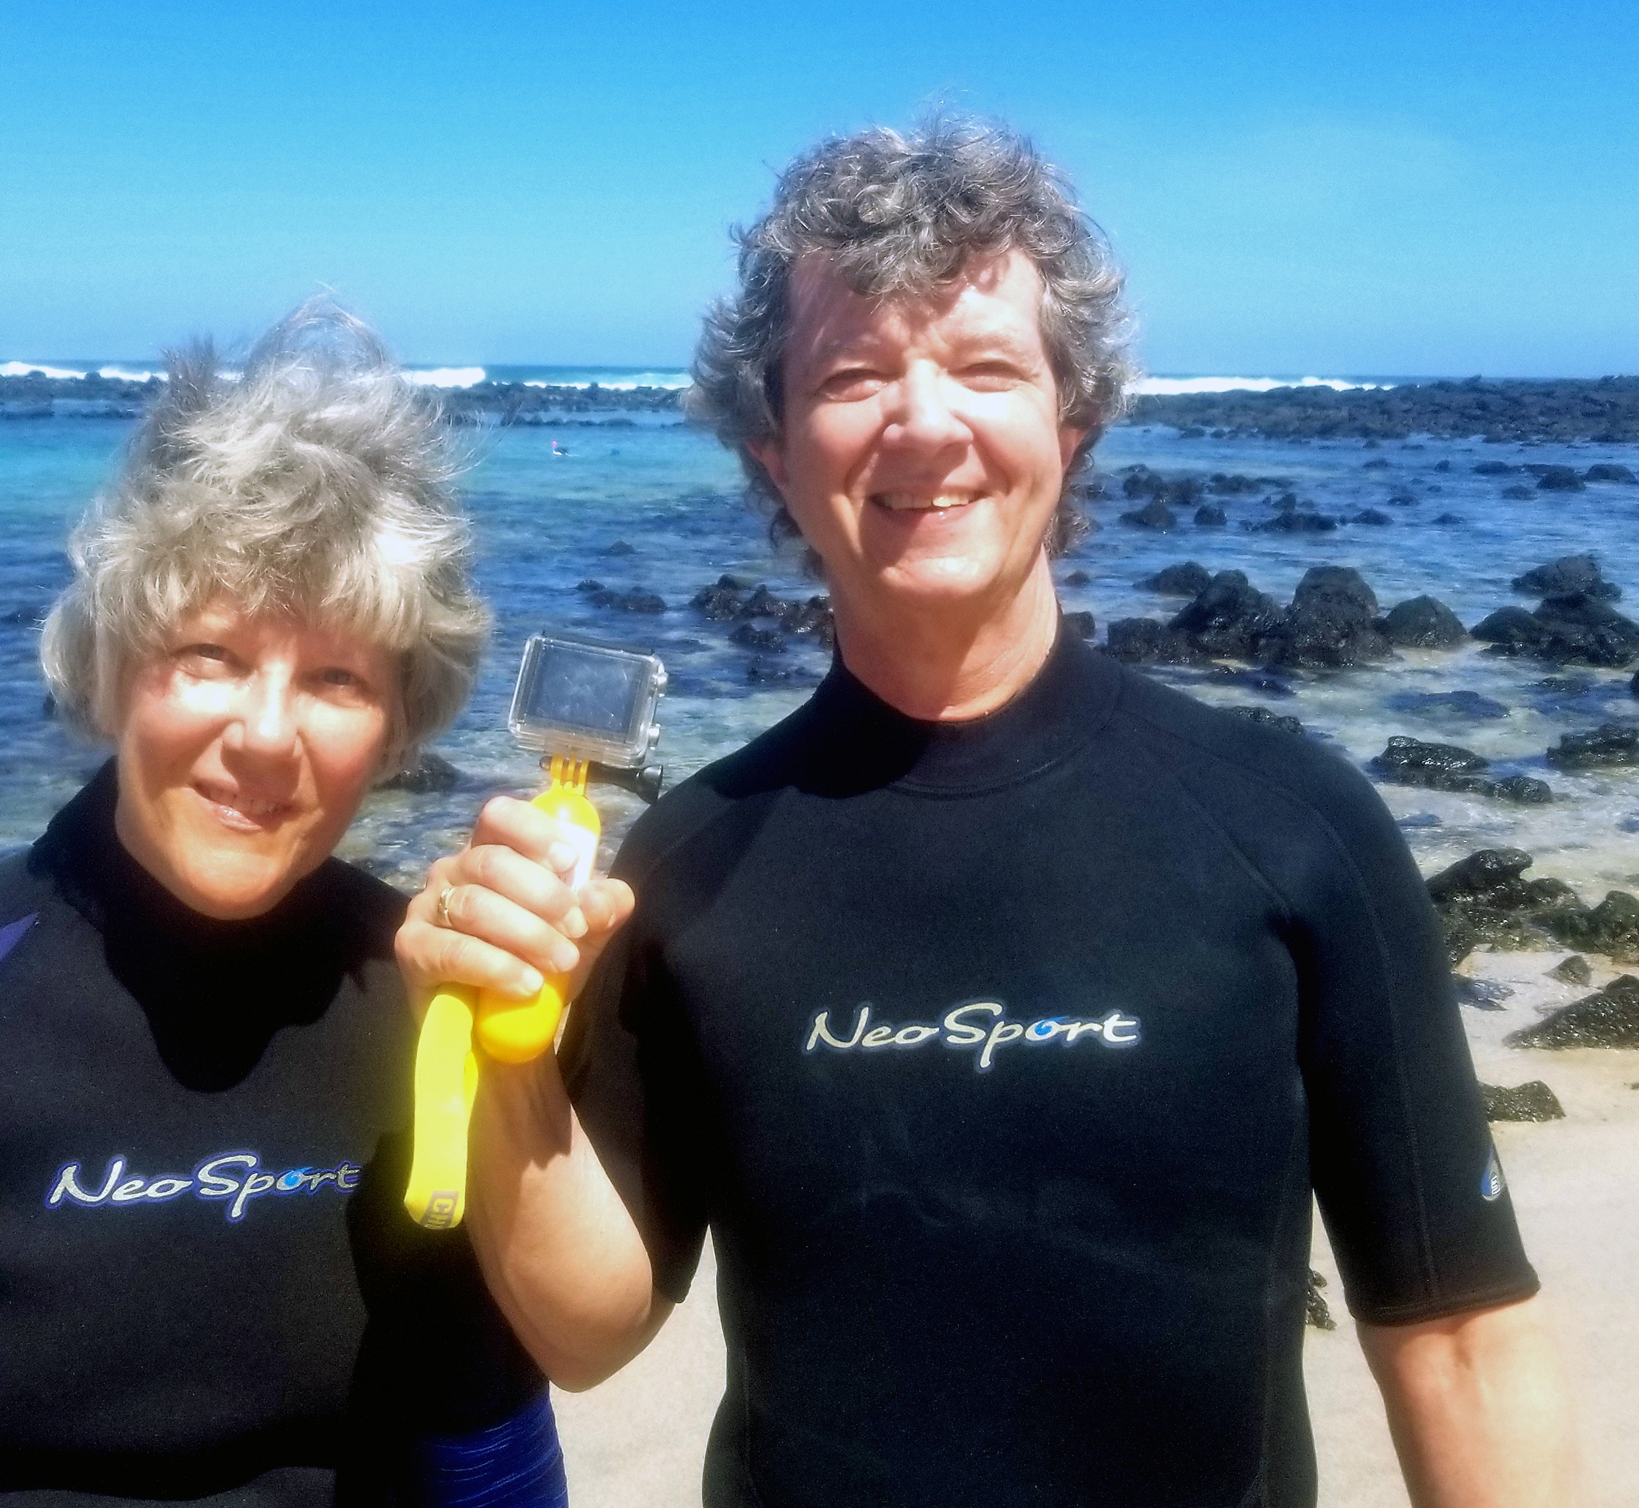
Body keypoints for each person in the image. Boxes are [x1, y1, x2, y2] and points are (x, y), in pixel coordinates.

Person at [396, 121, 1575, 1506]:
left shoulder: (1291, 823)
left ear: (1069, 427)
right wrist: (511, 1060)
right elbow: (584, 1333)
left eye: (983, 365)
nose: (921, 419)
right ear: (772, 453)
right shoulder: (688, 857)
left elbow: (1457, 1336)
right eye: (850, 373)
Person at [0, 305, 565, 1508]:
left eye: (336, 676)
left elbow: (487, 1459)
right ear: (119, 666)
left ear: (398, 725)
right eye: (212, 654)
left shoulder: (428, 1006)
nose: (266, 737)